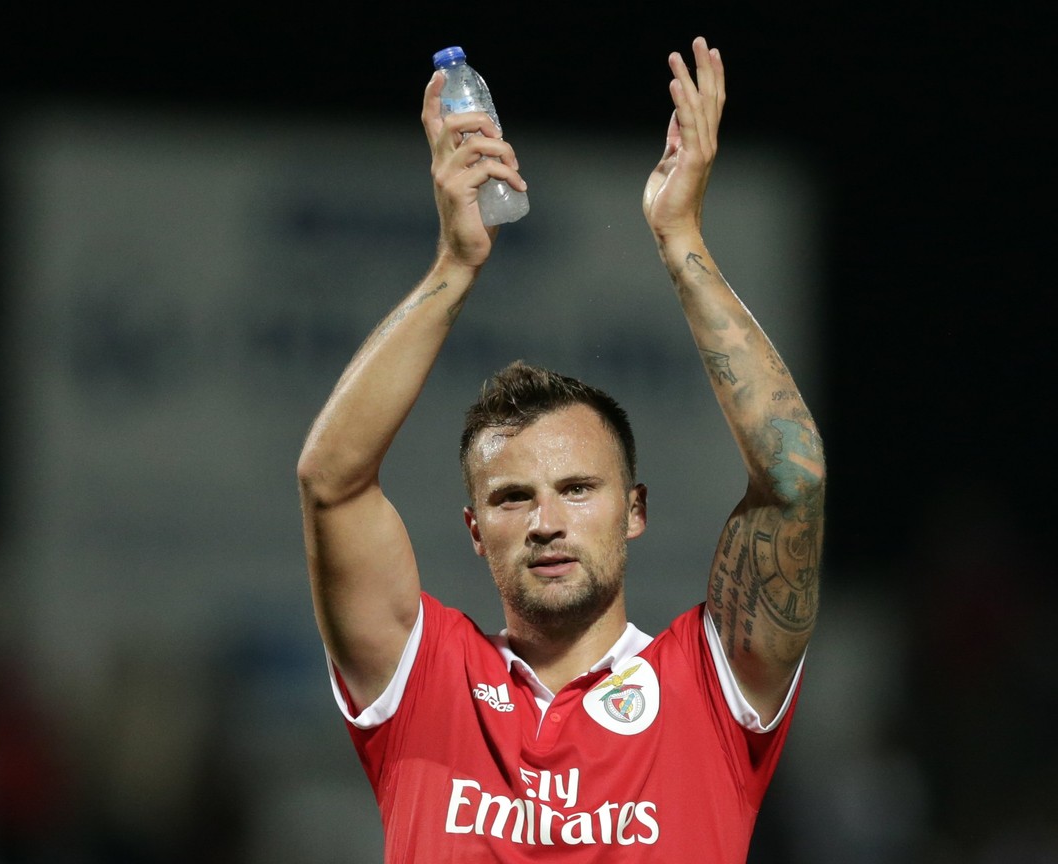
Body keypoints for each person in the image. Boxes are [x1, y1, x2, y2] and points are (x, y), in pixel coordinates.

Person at [297, 35, 824, 862]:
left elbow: (792, 477)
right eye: (513, 498)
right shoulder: (424, 678)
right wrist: (456, 264)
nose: (546, 520)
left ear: (636, 510)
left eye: (578, 488)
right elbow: (331, 482)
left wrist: (681, 237)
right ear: (474, 529)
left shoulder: (709, 688)